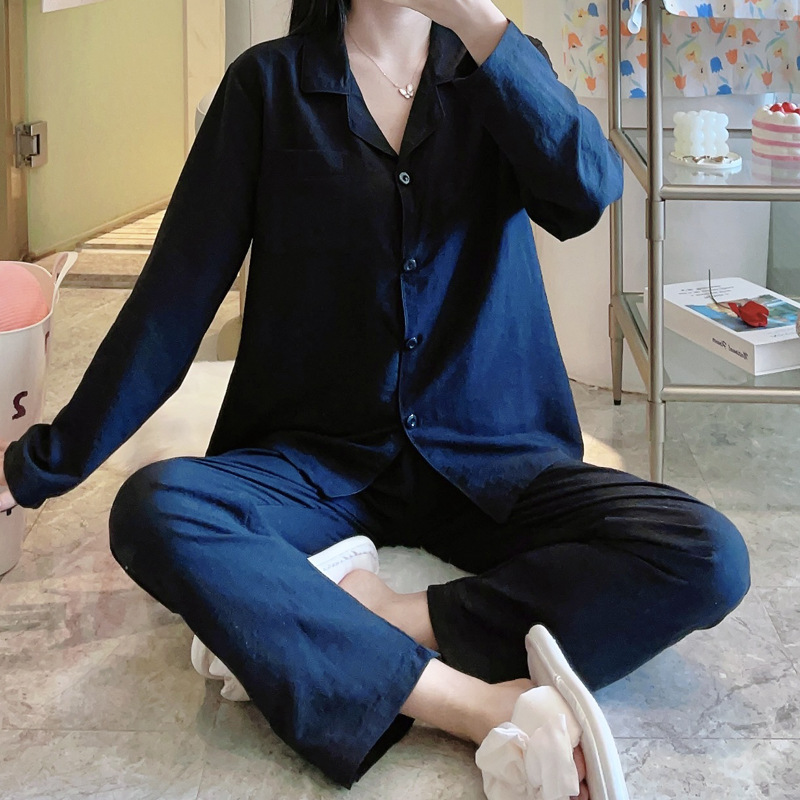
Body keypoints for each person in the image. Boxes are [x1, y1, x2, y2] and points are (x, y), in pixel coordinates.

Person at [1, 0, 750, 797]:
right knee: (158, 511)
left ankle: (391, 621)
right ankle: (468, 703)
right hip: (316, 462)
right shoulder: (267, 87)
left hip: (489, 456)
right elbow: (172, 302)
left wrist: (479, 23)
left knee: (707, 554)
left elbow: (587, 191)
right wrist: (34, 467)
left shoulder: (500, 65)